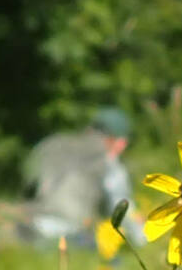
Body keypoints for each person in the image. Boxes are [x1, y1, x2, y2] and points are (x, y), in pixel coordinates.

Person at [19, 107, 143, 253]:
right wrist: (142, 239)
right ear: (119, 141)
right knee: (113, 263)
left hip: (30, 228)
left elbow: (27, 182)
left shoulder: (51, 145)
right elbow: (120, 207)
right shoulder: (108, 162)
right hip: (69, 236)